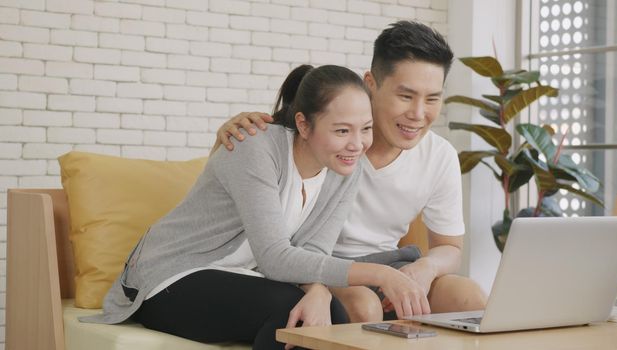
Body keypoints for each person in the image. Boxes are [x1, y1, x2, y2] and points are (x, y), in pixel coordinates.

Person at [81, 64, 433, 350]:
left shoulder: (344, 168)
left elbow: (314, 250)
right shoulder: (255, 149)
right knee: (284, 311)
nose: (357, 144)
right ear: (303, 124)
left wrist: (319, 290)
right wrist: (382, 274)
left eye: (366, 129)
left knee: (334, 317)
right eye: (342, 131)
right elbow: (275, 257)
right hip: (170, 277)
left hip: (239, 276)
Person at [214, 21, 488, 322]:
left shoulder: (440, 156)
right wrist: (224, 140)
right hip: (319, 266)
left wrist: (427, 267)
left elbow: (450, 248)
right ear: (370, 83)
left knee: (470, 298)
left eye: (433, 98)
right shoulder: (326, 140)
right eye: (406, 96)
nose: (418, 114)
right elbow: (252, 173)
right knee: (363, 305)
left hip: (391, 265)